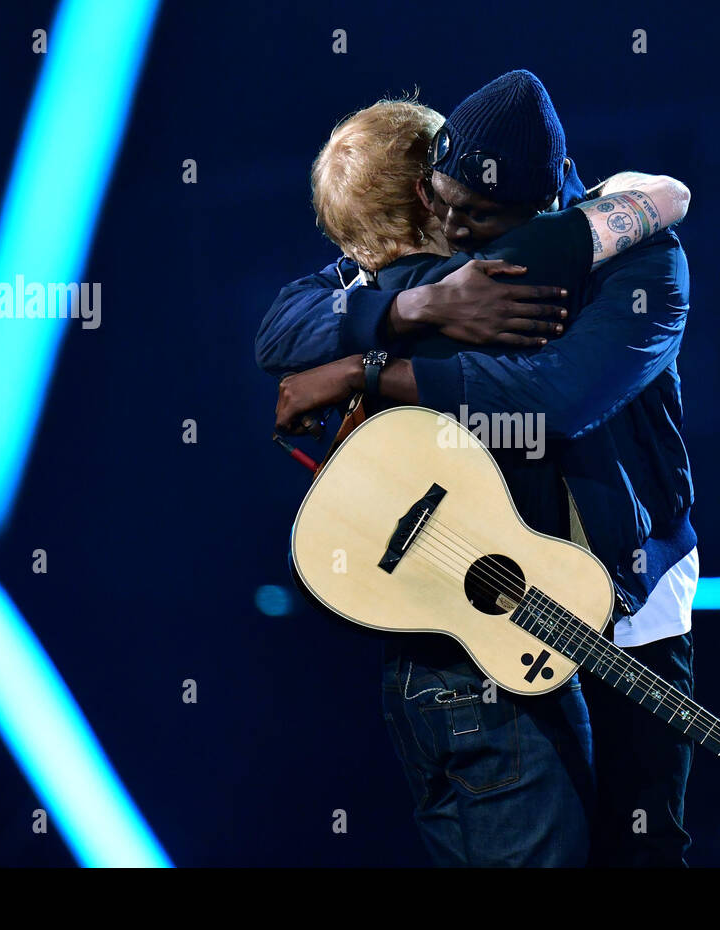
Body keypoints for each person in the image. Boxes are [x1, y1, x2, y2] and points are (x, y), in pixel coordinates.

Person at [259, 71, 697, 867]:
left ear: (537, 202)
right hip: (500, 618)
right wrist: (407, 311)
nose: (454, 227)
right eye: (440, 202)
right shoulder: (437, 270)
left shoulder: (640, 267)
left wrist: (358, 370)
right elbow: (284, 324)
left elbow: (551, 400)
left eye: (479, 216)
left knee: (643, 849)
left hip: (629, 615)